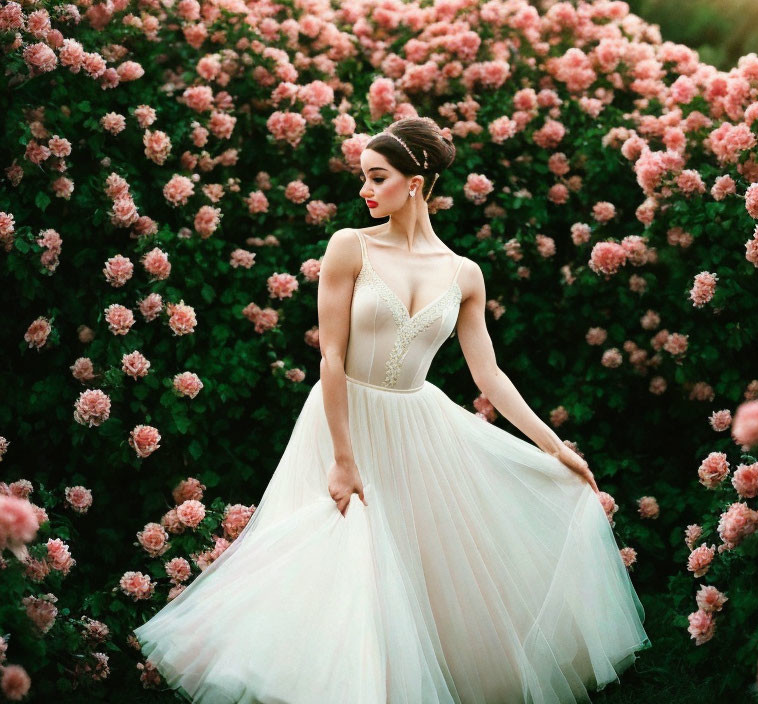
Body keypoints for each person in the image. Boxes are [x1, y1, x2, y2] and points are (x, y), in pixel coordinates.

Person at [133, 116, 651, 703]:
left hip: (416, 427)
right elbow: (331, 357)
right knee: (342, 563)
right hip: (342, 420)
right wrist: (343, 459)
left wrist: (556, 449)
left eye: (377, 177)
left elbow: (490, 376)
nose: (364, 190)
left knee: (407, 570)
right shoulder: (350, 246)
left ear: (416, 181)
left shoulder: (464, 274)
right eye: (363, 178)